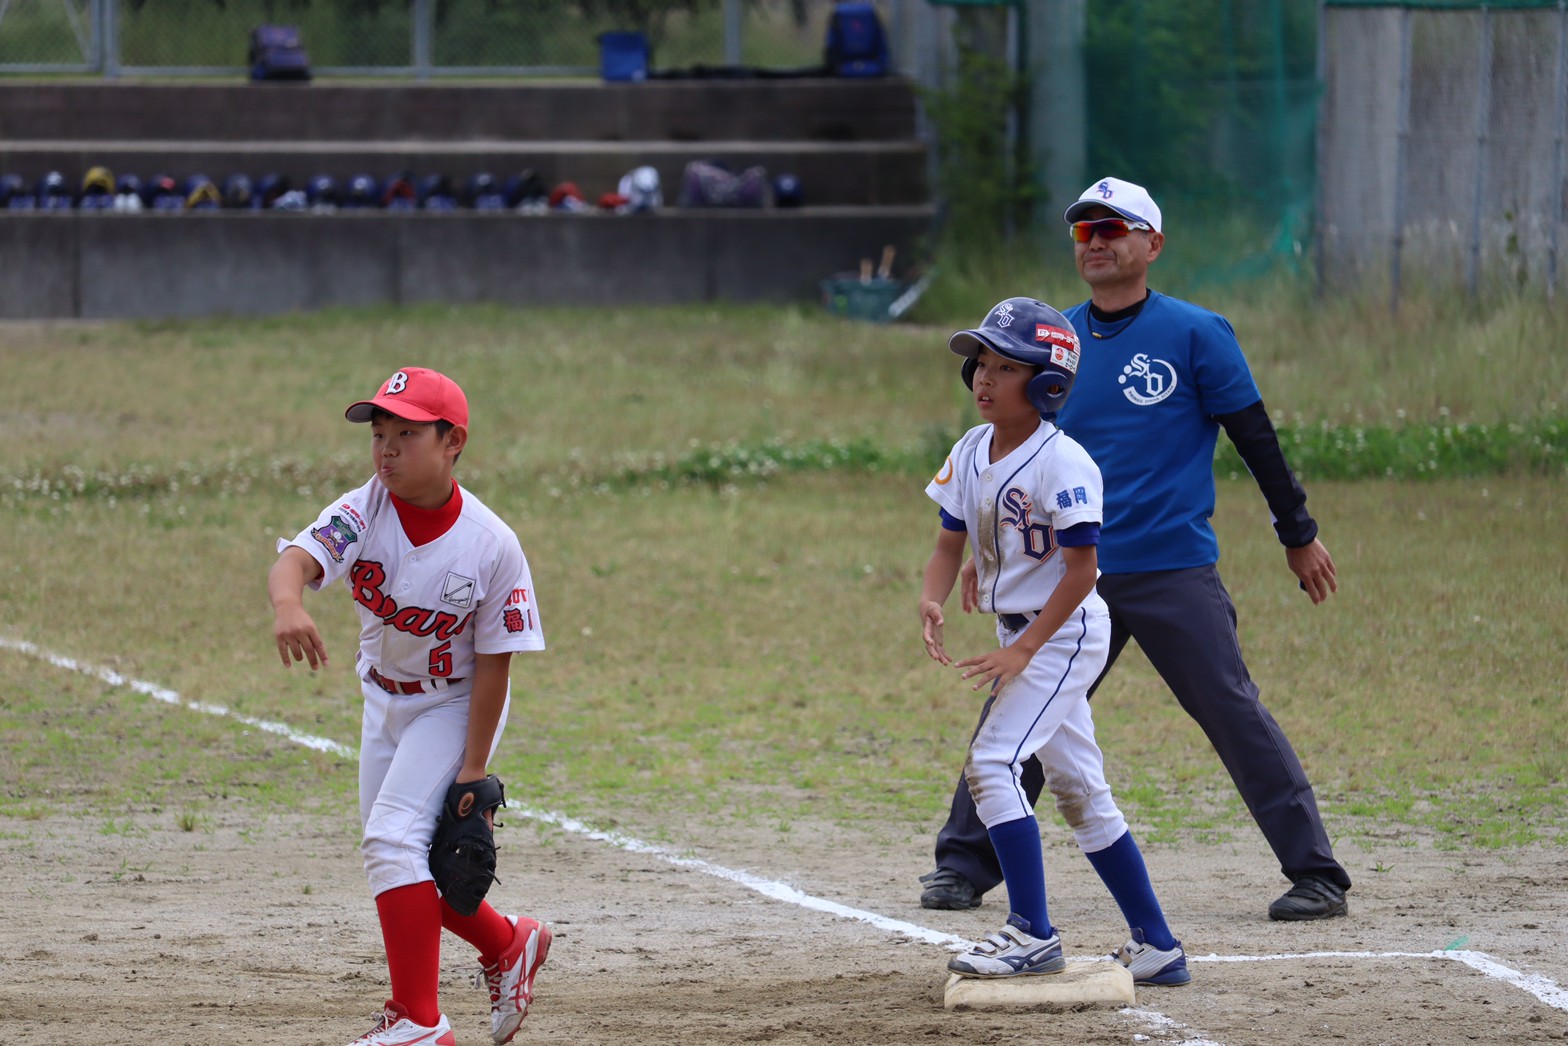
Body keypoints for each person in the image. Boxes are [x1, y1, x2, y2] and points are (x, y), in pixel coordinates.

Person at [918, 177, 1350, 923]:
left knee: (1230, 709)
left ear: (1152, 244)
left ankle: (1316, 872)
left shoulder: (1196, 333)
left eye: (1115, 230)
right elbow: (1014, 464)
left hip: (1171, 566)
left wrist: (1298, 533)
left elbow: (1256, 439)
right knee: (1019, 709)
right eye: (1086, 232)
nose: (1098, 243)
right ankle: (962, 865)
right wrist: (990, 557)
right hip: (1070, 578)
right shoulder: (1050, 345)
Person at [269, 367, 551, 1046]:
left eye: (406, 433)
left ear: (452, 441)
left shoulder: (490, 545)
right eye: (380, 434)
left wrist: (472, 774)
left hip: (455, 705)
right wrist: (288, 605)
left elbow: (495, 665)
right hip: (383, 701)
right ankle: (509, 943)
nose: (386, 449)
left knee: (394, 841)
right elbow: (296, 561)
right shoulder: (365, 508)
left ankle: (420, 1022)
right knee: (402, 860)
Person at [919, 297, 1189, 986]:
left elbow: (1082, 572)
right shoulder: (972, 448)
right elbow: (951, 539)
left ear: (1046, 386)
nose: (984, 377)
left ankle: (1031, 931)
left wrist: (1023, 650)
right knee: (1079, 792)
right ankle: (1157, 946)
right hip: (1032, 631)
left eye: (1006, 367)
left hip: (1062, 633)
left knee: (992, 763)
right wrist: (936, 592)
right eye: (980, 362)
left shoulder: (1063, 463)